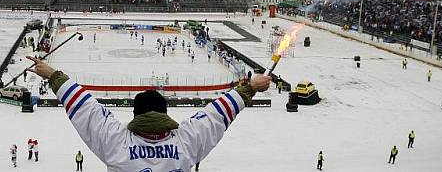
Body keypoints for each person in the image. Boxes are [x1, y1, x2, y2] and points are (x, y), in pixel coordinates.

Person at [24, 56, 272, 172]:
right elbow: (217, 114)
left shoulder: (116, 142)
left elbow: (86, 109)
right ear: (165, 113)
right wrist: (250, 87)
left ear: (136, 114)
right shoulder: (186, 141)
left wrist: (54, 76)